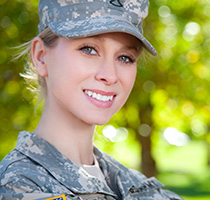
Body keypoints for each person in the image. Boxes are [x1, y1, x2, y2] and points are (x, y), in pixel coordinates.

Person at [0, 0, 182, 199]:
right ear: (41, 57)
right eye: (89, 49)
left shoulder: (134, 185)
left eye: (125, 58)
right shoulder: (18, 186)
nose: (110, 76)